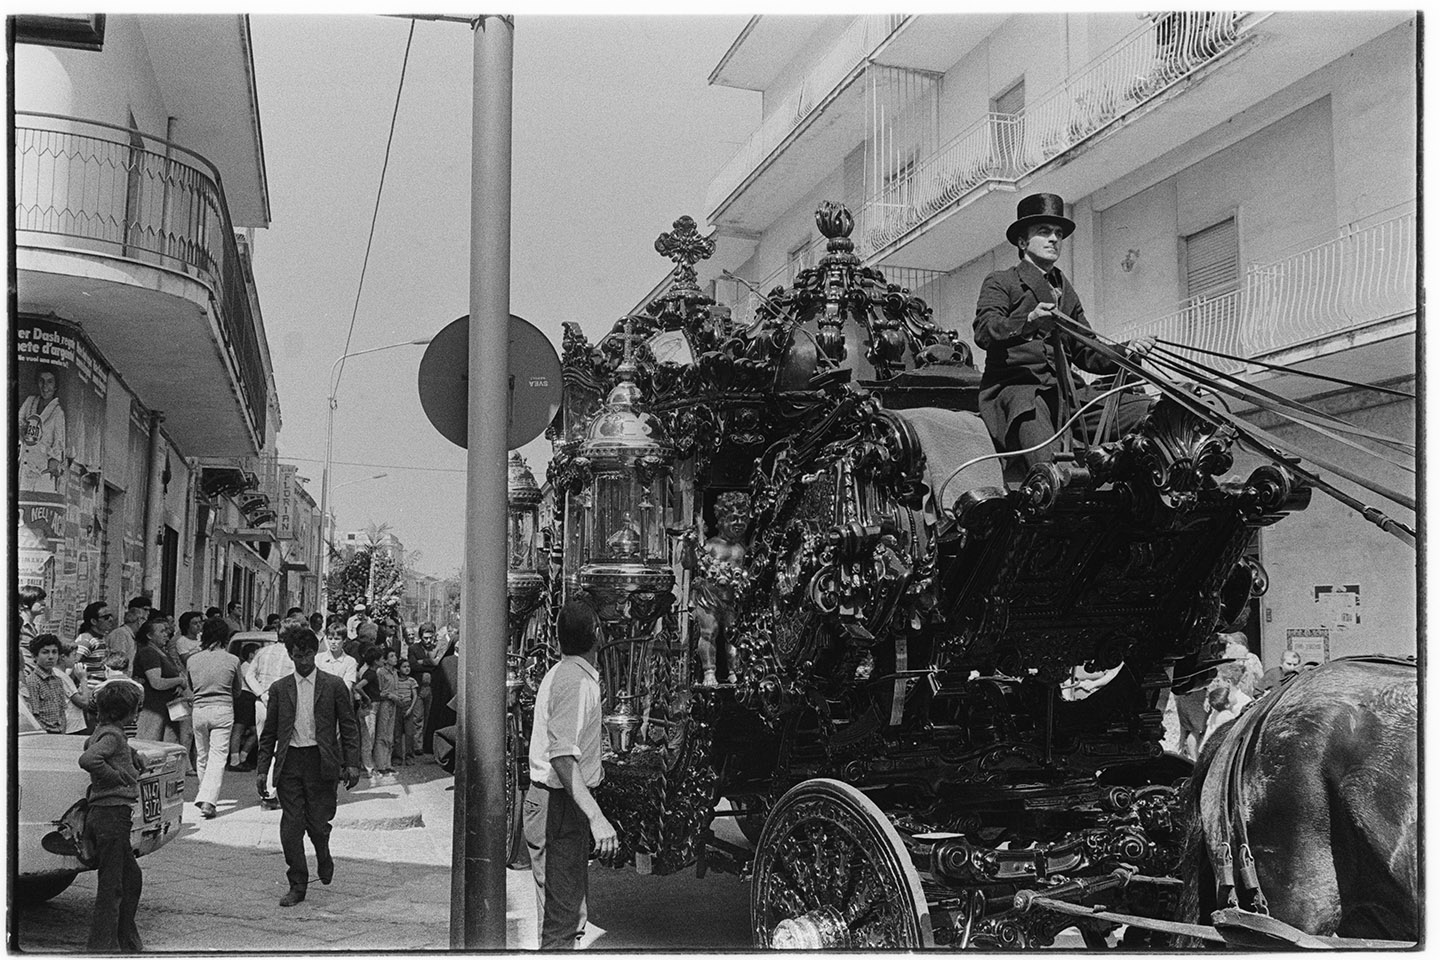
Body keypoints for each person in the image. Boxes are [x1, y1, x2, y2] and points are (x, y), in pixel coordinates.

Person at [973, 192, 1156, 472]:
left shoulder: (1064, 289)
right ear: (1022, 242)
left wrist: (1126, 351)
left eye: (1058, 233)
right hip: (1021, 393)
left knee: (1152, 412)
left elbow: (1086, 351)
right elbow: (985, 330)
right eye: (1044, 232)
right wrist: (1029, 321)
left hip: (1069, 396)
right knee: (1053, 469)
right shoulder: (1002, 281)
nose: (1054, 239)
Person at [524, 597, 619, 949]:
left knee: (567, 917)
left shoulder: (569, 675)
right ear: (596, 634)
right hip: (557, 804)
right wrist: (597, 818)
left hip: (560, 804)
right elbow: (563, 757)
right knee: (561, 925)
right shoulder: (573, 682)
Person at [255, 624, 362, 907]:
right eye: (297, 655)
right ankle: (297, 885)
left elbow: (349, 727)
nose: (303, 661)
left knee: (317, 824)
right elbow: (269, 734)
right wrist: (262, 770)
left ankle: (323, 854)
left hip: (322, 762)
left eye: (308, 655)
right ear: (290, 655)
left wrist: (353, 764)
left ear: (316, 653)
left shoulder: (334, 685)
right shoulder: (279, 689)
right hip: (290, 762)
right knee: (291, 827)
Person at [78, 680, 145, 951]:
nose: (136, 714)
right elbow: (88, 759)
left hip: (108, 815)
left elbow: (89, 746)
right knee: (112, 884)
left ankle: (125, 939)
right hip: (111, 814)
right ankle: (102, 947)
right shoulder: (113, 736)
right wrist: (118, 777)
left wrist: (130, 753)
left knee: (130, 878)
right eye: (134, 710)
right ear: (125, 713)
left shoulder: (105, 732)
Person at [187, 619, 242, 819]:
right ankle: (209, 800)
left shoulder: (192, 660)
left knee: (202, 755)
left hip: (199, 709)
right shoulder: (232, 660)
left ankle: (204, 793)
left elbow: (190, 685)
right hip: (223, 709)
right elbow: (237, 690)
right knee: (218, 757)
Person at [252, 633, 296, 809]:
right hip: (282, 705)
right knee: (279, 749)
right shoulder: (293, 655)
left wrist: (261, 694)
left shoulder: (263, 652)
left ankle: (264, 789)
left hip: (262, 704)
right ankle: (270, 793)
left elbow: (249, 676)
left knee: (264, 747)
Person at [133, 615, 189, 747]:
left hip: (173, 706)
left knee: (177, 742)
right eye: (162, 631)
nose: (166, 634)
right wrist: (179, 681)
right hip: (154, 709)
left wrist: (180, 683)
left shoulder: (163, 653)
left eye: (167, 630)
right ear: (149, 636)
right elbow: (157, 682)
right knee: (151, 745)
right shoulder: (148, 652)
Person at [25, 634, 89, 734]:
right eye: (45, 652)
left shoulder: (57, 679)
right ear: (35, 656)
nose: (51, 657)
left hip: (60, 733)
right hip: (44, 736)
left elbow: (61, 711)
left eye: (54, 652)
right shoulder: (33, 681)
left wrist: (61, 731)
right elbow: (34, 716)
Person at [18, 368, 67, 493]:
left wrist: (53, 461)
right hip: (24, 464)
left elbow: (59, 443)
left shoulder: (57, 412)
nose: (45, 386)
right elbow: (18, 420)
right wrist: (22, 430)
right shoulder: (30, 401)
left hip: (42, 471)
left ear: (55, 385)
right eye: (42, 381)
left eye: (50, 382)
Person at [229, 642, 264, 771]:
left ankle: (243, 757)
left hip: (251, 700)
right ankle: (234, 761)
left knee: (255, 732)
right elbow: (251, 682)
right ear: (251, 655)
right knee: (239, 729)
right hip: (244, 699)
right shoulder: (245, 667)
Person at [107, 595, 151, 666]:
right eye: (145, 610)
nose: (148, 613)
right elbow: (117, 663)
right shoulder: (120, 634)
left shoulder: (132, 636)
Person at [315, 618, 358, 690]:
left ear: (344, 640)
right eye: (330, 639)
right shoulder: (318, 658)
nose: (333, 642)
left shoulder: (350, 662)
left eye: (337, 639)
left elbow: (347, 687)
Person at [393, 658, 421, 764]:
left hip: (408, 706)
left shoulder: (411, 681)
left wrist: (410, 708)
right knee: (397, 733)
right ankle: (397, 757)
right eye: (404, 667)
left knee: (409, 733)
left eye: (408, 666)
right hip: (397, 707)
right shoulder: (395, 680)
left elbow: (415, 695)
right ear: (399, 669)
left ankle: (409, 756)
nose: (407, 669)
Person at [17, 584, 48, 673]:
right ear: (25, 604)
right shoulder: (19, 626)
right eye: (39, 600)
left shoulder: (32, 627)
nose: (43, 603)